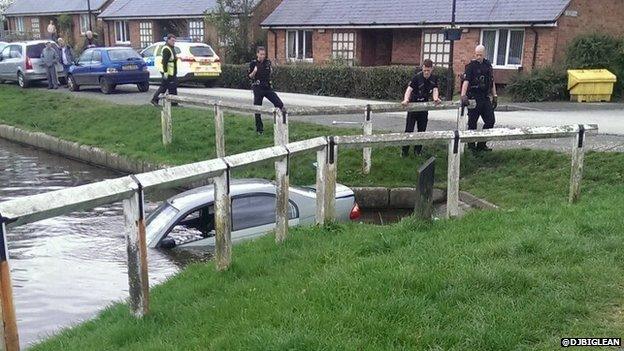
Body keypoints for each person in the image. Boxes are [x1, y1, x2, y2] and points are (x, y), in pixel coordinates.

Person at [400, 59, 441, 157]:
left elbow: (435, 89)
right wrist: (406, 100)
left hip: (424, 108)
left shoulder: (434, 78)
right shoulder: (416, 78)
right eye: (425, 70)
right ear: (422, 68)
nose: (426, 72)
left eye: (428, 70)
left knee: (422, 130)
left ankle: (417, 151)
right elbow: (409, 90)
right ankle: (404, 151)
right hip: (413, 107)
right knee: (409, 130)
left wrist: (436, 98)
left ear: (431, 69)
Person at [461, 44, 498, 152]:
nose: (478, 57)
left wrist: (494, 96)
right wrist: (463, 95)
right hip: (473, 97)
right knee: (472, 123)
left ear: (484, 54)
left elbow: (492, 81)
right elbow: (466, 81)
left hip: (485, 97)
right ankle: (471, 148)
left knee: (490, 121)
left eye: (480, 55)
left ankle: (482, 145)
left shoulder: (488, 65)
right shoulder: (471, 66)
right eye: (476, 54)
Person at [248, 47, 285, 135]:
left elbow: (269, 73)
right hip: (258, 88)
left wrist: (271, 70)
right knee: (257, 109)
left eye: (264, 54)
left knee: (279, 104)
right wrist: (254, 71)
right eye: (261, 54)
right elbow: (250, 76)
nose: (262, 56)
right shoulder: (253, 63)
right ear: (257, 54)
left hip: (267, 87)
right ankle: (259, 130)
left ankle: (280, 124)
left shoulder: (267, 63)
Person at [151, 34, 178, 107]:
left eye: (174, 41)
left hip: (172, 71)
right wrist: (165, 72)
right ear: (168, 40)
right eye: (172, 40)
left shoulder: (171, 47)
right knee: (164, 87)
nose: (174, 42)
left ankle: (174, 103)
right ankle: (154, 99)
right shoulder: (166, 49)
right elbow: (164, 62)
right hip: (168, 72)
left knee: (173, 87)